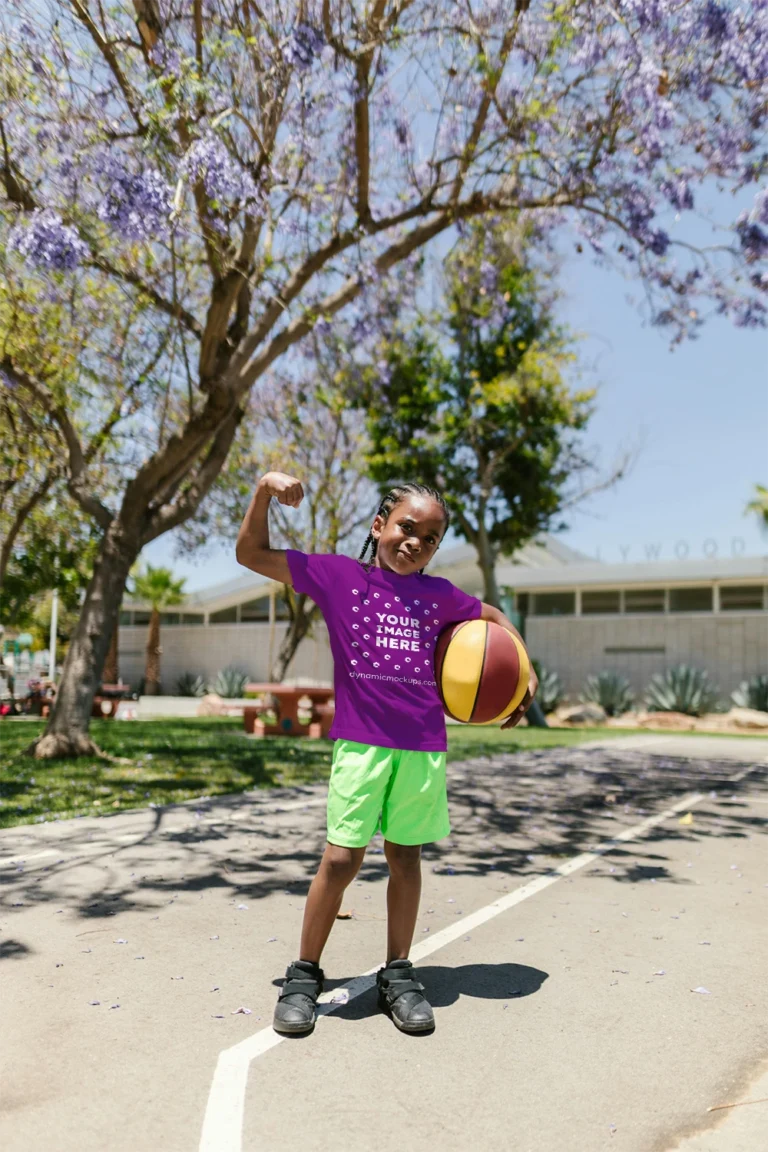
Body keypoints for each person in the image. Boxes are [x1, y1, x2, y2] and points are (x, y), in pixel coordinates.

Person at [235, 471, 538, 1035]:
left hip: (422, 748)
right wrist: (262, 492)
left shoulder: (443, 597)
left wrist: (524, 673)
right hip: (361, 745)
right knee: (341, 859)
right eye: (406, 527)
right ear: (379, 525)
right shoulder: (338, 576)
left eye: (430, 537)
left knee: (405, 858)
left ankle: (397, 973)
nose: (415, 542)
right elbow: (250, 552)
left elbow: (494, 620)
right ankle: (305, 974)